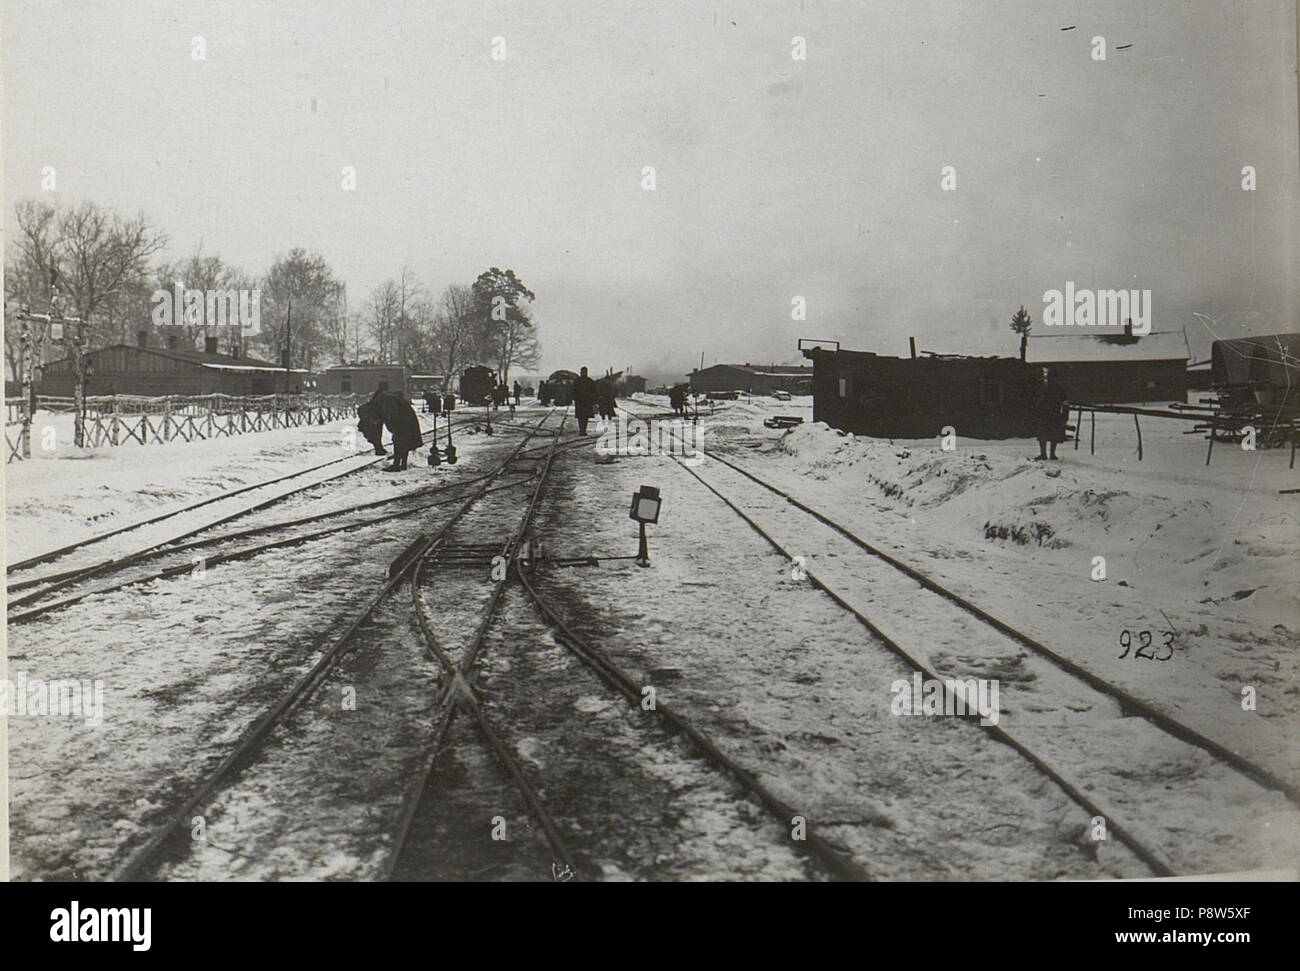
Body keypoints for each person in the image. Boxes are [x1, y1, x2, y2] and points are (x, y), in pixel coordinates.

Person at [1033, 368, 1069, 461]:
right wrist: (1065, 415)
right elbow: (1065, 404)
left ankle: (1046, 454)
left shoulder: (1044, 388)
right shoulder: (1059, 389)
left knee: (1045, 434)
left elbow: (1065, 403)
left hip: (1048, 414)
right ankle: (1050, 454)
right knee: (1050, 435)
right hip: (1052, 414)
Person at [573, 366, 598, 435]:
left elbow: (594, 392)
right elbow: (594, 392)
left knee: (582, 417)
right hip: (585, 402)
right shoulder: (589, 381)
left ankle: (582, 430)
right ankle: (582, 430)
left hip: (582, 402)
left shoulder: (577, 381)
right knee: (583, 417)